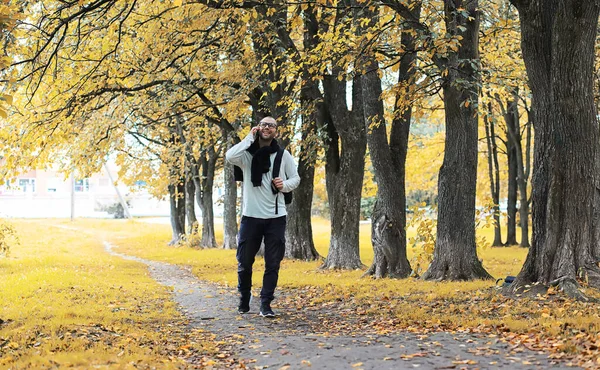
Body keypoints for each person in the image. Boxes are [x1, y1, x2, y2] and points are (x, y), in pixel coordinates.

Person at [225, 116, 300, 318]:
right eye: (263, 124)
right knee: (244, 261)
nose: (267, 128)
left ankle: (266, 304)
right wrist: (249, 138)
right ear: (258, 128)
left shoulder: (284, 156)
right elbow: (229, 156)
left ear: (276, 131)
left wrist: (284, 185)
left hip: (275, 218)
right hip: (250, 216)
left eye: (272, 125)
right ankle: (244, 297)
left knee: (272, 263)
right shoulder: (246, 156)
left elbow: (296, 178)